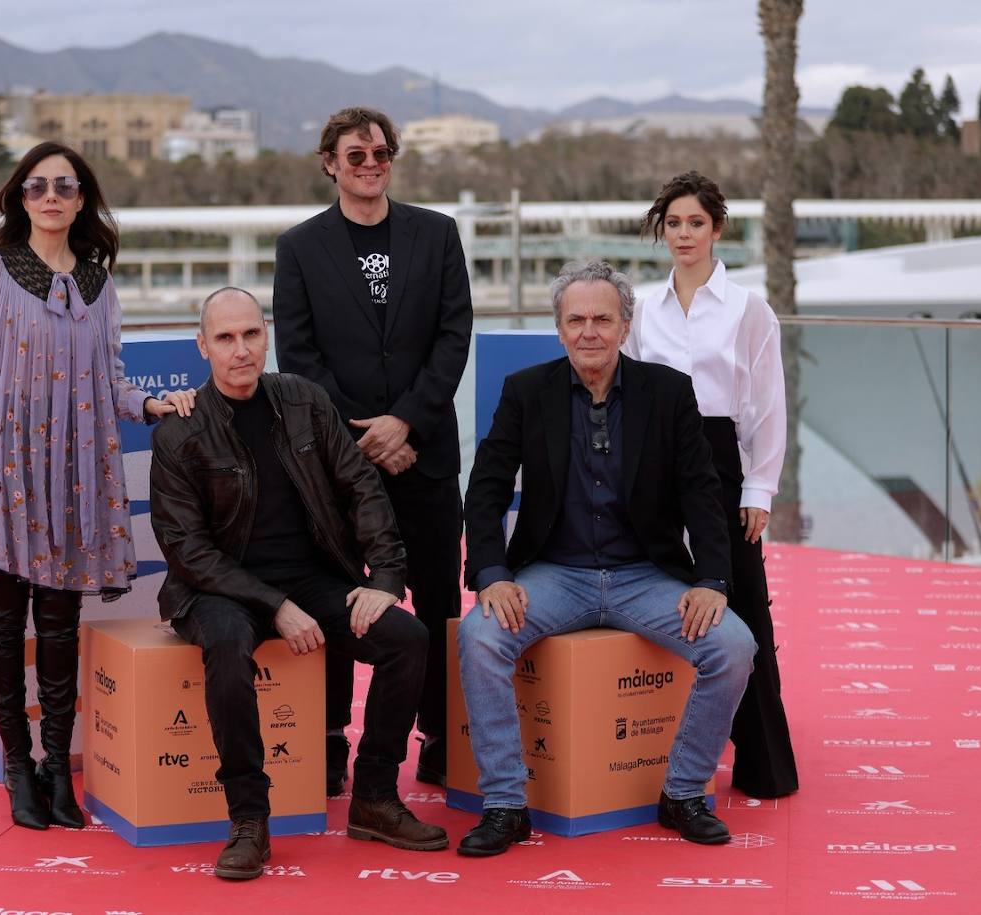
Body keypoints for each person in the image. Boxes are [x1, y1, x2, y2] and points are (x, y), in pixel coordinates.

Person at [456, 260, 757, 856]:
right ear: (560, 328)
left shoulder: (667, 392)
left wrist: (713, 580)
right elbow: (486, 486)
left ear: (625, 325)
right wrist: (491, 574)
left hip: (645, 576)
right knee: (479, 637)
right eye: (576, 320)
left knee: (734, 645)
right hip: (555, 575)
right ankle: (505, 804)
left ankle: (684, 792)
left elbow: (701, 492)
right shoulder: (527, 392)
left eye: (602, 319)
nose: (588, 331)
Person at [0, 141, 195, 831]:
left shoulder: (99, 283)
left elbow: (112, 378)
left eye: (65, 185)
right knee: (1, 625)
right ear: (19, 196)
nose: (50, 196)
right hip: (0, 468)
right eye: (37, 185)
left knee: (58, 626)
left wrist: (151, 406)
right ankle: (16, 768)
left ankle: (58, 768)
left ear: (82, 199)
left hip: (72, 475)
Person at [150, 287, 447, 880]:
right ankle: (250, 820)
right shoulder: (180, 433)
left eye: (251, 335)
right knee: (230, 645)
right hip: (218, 591)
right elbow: (187, 550)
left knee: (408, 638)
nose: (241, 351)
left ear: (267, 335)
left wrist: (385, 577)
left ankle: (374, 797)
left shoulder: (305, 401)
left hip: (312, 580)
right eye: (226, 338)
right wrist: (274, 605)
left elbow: (362, 486)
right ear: (203, 345)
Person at [273, 106, 473, 793]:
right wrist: (366, 440)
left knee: (440, 599)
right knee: (337, 598)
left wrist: (406, 424)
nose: (370, 163)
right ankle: (330, 737)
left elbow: (454, 338)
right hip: (340, 466)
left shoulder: (439, 235)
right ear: (330, 161)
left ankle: (440, 736)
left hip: (426, 456)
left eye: (381, 153)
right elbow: (298, 359)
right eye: (355, 154)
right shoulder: (299, 248)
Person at [627, 171, 798, 799]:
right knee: (658, 594)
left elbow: (765, 405)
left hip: (723, 462)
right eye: (673, 223)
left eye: (695, 222)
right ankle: (649, 752)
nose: (683, 234)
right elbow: (634, 395)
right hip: (658, 462)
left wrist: (759, 490)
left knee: (745, 605)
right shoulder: (643, 307)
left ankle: (764, 764)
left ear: (717, 228)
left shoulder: (749, 307)